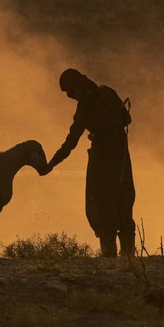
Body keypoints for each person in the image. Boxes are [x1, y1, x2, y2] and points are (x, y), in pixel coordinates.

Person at [39, 68, 136, 257]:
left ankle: (109, 257)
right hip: (122, 155)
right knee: (124, 202)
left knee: (102, 205)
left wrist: (52, 163)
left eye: (69, 92)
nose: (69, 96)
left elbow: (71, 140)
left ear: (76, 87)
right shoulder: (108, 92)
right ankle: (129, 257)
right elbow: (128, 119)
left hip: (102, 160)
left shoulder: (86, 104)